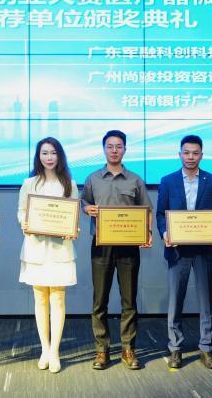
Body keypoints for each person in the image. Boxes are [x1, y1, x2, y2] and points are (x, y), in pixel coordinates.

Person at [81, 130, 152, 370]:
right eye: (110, 146)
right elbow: (84, 202)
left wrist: (148, 233)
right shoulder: (93, 178)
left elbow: (146, 210)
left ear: (125, 149)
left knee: (129, 300)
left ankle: (128, 349)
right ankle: (102, 351)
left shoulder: (135, 180)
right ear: (104, 149)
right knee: (99, 301)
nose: (114, 150)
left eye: (118, 146)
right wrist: (86, 209)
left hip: (129, 246)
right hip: (101, 245)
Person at [156, 135, 212, 370]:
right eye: (186, 153)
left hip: (204, 250)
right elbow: (160, 215)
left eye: (195, 153)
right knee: (176, 300)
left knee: (206, 301)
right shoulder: (168, 181)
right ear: (180, 154)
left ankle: (206, 348)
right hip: (178, 250)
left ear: (201, 155)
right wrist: (165, 232)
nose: (191, 157)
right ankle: (175, 348)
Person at [18, 137, 78, 374]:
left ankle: (55, 351)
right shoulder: (29, 183)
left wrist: (72, 228)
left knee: (58, 299)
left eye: (53, 153)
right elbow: (21, 211)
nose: (49, 157)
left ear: (59, 156)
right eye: (44, 153)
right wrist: (25, 223)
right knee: (40, 299)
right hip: (35, 248)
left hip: (60, 249)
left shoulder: (69, 184)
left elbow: (73, 215)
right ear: (38, 156)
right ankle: (44, 349)